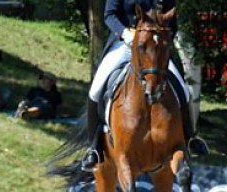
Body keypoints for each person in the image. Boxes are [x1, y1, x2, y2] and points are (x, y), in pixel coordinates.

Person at [83, 0, 209, 169]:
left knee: (183, 90)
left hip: (153, 48)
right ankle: (94, 148)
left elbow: (172, 20)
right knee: (96, 88)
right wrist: (125, 33)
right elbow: (109, 15)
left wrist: (163, 39)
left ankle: (191, 138)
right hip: (124, 43)